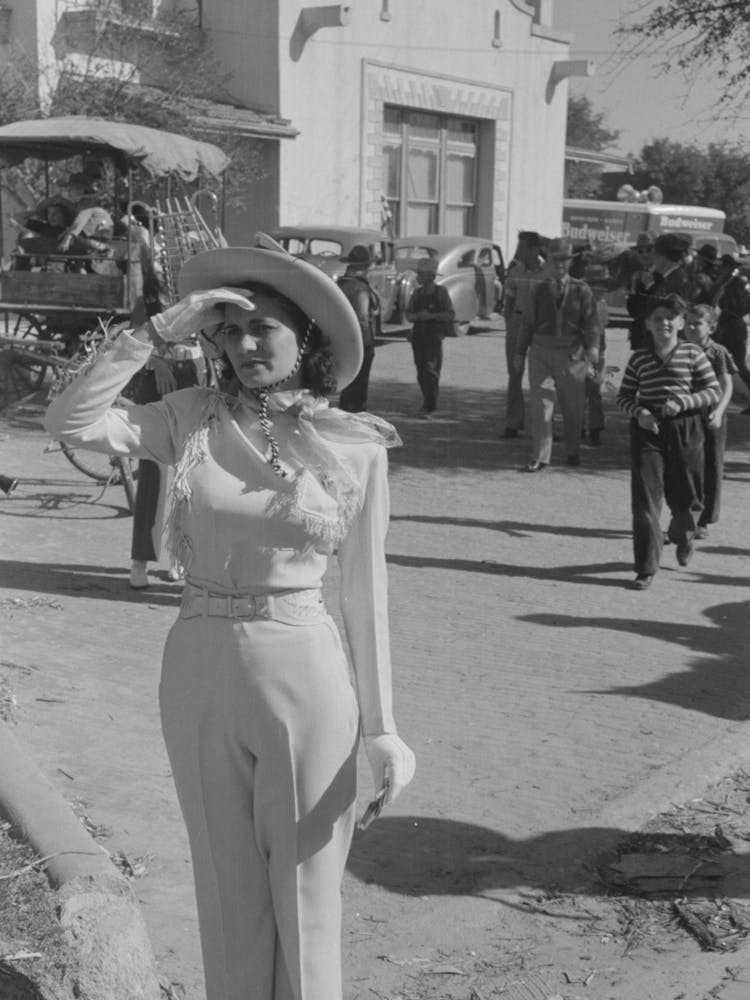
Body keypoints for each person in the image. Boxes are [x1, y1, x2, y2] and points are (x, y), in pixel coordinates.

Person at [44, 237, 416, 1000]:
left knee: (309, 888)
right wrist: (153, 333)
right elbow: (71, 423)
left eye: (265, 329)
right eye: (231, 330)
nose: (245, 345)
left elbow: (362, 592)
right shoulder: (186, 419)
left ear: (307, 337)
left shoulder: (354, 448)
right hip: (198, 661)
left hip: (302, 665)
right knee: (225, 883)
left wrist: (381, 727)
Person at [616, 294, 720, 590]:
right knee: (646, 501)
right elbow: (623, 396)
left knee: (687, 498)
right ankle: (646, 568)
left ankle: (685, 535)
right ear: (648, 324)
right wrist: (640, 412)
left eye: (670, 319)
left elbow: (712, 390)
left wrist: (685, 402)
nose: (664, 323)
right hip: (648, 430)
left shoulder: (692, 354)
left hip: (685, 428)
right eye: (657, 319)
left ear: (679, 323)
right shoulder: (639, 357)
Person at [515, 237, 601, 471]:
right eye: (556, 259)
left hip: (572, 354)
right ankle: (540, 456)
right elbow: (527, 323)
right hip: (541, 351)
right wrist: (520, 352)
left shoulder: (581, 289)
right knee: (541, 405)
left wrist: (593, 347)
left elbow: (592, 322)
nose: (560, 264)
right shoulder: (539, 288)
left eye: (565, 260)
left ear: (571, 262)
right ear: (549, 260)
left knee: (572, 407)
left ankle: (572, 451)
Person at [684, 304, 735, 539]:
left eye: (698, 324)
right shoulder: (679, 350)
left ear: (711, 328)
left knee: (711, 463)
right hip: (686, 413)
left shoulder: (717, 352)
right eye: (688, 323)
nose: (692, 328)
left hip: (712, 412)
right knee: (687, 461)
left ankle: (704, 519)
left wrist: (720, 411)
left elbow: (727, 385)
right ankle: (685, 511)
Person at [500, 230, 545, 438]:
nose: (520, 252)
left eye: (524, 248)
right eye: (518, 247)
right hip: (518, 323)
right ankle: (513, 423)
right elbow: (508, 300)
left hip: (540, 326)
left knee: (543, 377)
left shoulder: (548, 272)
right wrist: (510, 323)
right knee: (515, 374)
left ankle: (545, 424)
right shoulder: (516, 271)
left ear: (535, 249)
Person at [405, 256, 455, 418]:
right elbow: (408, 314)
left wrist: (431, 316)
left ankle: (430, 406)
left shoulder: (441, 293)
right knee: (421, 371)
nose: (418, 277)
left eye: (421, 273)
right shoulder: (417, 293)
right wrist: (418, 316)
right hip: (418, 335)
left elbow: (450, 314)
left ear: (430, 276)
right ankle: (427, 402)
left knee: (431, 371)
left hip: (434, 336)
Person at [337, 244, 380, 412]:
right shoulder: (360, 287)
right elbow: (362, 317)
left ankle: (345, 409)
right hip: (360, 340)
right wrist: (366, 342)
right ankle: (355, 412)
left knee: (348, 378)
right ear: (366, 266)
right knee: (360, 381)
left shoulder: (341, 284)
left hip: (343, 339)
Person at [711, 253, 750, 405]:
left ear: (729, 268)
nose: (720, 269)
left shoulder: (736, 284)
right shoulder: (724, 282)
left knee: (733, 362)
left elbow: (743, 304)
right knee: (724, 360)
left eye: (723, 266)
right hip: (726, 325)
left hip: (732, 327)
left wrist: (733, 314)